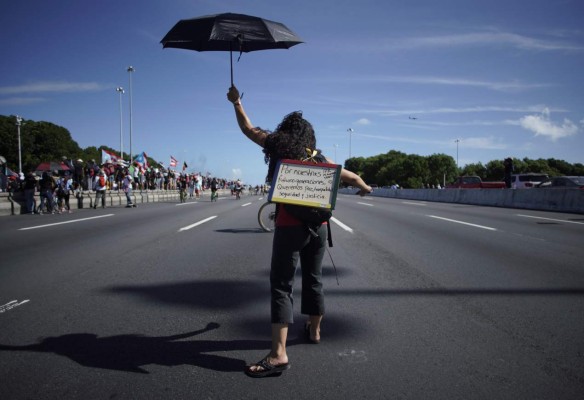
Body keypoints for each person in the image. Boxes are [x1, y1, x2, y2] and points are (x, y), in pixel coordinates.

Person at [227, 85, 373, 378]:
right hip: (318, 229)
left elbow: (248, 129)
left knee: (282, 285)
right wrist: (365, 188)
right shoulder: (319, 159)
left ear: (285, 131)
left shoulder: (278, 147)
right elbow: (354, 177)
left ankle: (279, 354)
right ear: (309, 136)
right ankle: (315, 330)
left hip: (289, 227)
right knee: (314, 279)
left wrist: (237, 102)